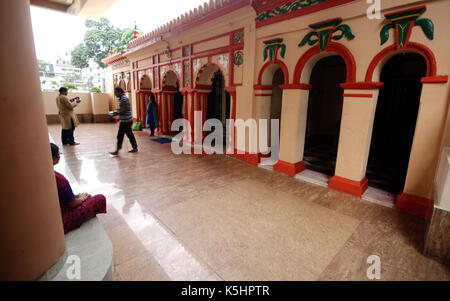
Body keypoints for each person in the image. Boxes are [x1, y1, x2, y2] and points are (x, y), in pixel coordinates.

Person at [51, 143, 106, 233]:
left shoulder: (45, 174)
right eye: (58, 154)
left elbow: (63, 195)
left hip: (56, 210)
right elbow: (72, 204)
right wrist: (82, 198)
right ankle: (83, 218)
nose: (59, 156)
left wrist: (77, 196)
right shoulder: (59, 179)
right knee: (100, 198)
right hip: (62, 217)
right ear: (53, 158)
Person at [109, 87, 138, 155]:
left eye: (116, 92)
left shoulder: (124, 98)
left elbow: (127, 108)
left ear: (120, 92)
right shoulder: (122, 98)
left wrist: (117, 113)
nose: (115, 94)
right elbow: (122, 108)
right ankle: (135, 147)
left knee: (120, 135)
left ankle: (117, 150)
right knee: (129, 134)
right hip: (126, 120)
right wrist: (116, 111)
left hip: (126, 121)